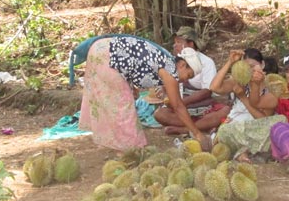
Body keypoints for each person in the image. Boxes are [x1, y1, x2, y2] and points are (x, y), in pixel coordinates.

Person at [77, 34, 210, 151]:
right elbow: (178, 106)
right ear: (182, 65)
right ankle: (131, 149)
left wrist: (132, 86)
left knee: (122, 101)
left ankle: (125, 145)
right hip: (106, 55)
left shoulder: (167, 61)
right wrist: (197, 134)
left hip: (102, 50)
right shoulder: (170, 70)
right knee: (124, 106)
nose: (185, 80)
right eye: (188, 75)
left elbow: (135, 61)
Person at [211, 48, 286, 162]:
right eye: (246, 68)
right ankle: (242, 152)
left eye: (252, 66)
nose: (250, 71)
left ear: (262, 64)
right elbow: (214, 87)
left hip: (254, 130)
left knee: (279, 122)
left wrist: (243, 97)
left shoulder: (270, 87)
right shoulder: (240, 82)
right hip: (233, 130)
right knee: (225, 131)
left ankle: (242, 152)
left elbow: (263, 120)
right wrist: (230, 62)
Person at [154, 26, 230, 134]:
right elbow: (166, 82)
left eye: (179, 42)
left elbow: (207, 91)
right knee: (159, 114)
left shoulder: (206, 62)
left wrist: (181, 103)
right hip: (182, 109)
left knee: (226, 111)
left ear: (190, 44)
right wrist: (163, 91)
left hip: (203, 109)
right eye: (175, 42)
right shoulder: (175, 61)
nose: (175, 45)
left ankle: (185, 129)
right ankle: (201, 126)